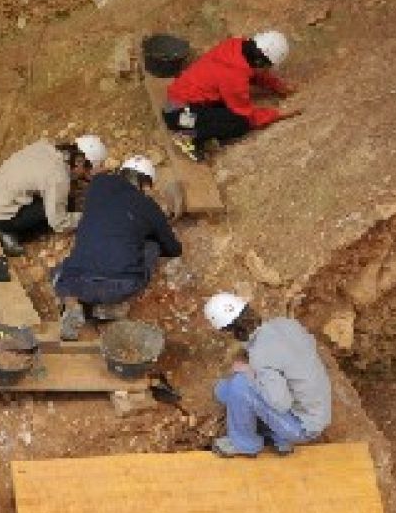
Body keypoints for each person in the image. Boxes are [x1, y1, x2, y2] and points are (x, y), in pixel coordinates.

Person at [53, 156, 182, 340]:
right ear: (144, 184)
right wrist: (154, 227)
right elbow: (173, 249)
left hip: (75, 280)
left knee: (64, 268)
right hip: (120, 284)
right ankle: (108, 308)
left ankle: (72, 303)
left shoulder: (97, 185)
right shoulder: (148, 206)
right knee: (152, 245)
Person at [202, 292, 332, 457]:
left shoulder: (261, 355)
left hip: (302, 427)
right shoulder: (286, 324)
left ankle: (245, 444)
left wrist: (251, 372)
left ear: (227, 329)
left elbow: (280, 403)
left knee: (240, 385)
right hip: (315, 409)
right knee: (223, 390)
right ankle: (275, 436)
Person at [162, 31, 298, 160]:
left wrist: (278, 86)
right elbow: (247, 115)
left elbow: (254, 73)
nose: (266, 69)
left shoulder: (236, 46)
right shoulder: (234, 77)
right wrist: (276, 115)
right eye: (267, 66)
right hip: (178, 116)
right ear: (260, 62)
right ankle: (188, 136)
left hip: (178, 102)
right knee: (239, 123)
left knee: (224, 109)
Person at [0, 134, 107, 254]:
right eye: (87, 170)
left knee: (59, 199)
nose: (86, 174)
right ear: (79, 162)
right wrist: (89, 217)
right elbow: (59, 223)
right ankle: (5, 232)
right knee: (53, 216)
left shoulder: (45, 146)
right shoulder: (58, 178)